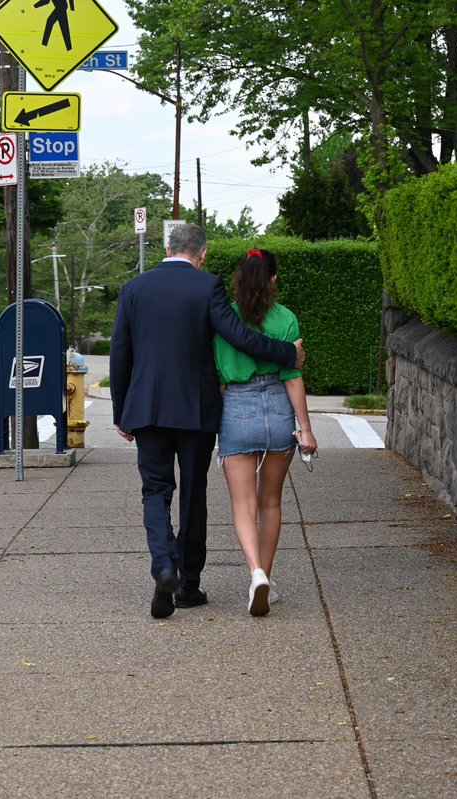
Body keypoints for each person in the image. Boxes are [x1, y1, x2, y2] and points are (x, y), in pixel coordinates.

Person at [109, 224, 306, 619]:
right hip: (196, 411)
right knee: (193, 493)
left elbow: (120, 354)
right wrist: (288, 353)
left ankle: (163, 564)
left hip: (146, 409)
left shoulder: (134, 288)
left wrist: (121, 412)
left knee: (155, 491)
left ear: (166, 247)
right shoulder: (207, 287)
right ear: (201, 254)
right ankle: (188, 584)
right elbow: (238, 336)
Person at [214, 248, 317, 616]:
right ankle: (266, 581)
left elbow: (219, 380)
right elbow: (293, 376)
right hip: (277, 408)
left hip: (237, 408)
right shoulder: (286, 319)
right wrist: (305, 429)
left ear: (239, 278)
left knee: (243, 504)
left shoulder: (224, 317)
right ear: (273, 279)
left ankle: (255, 572)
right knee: (271, 501)